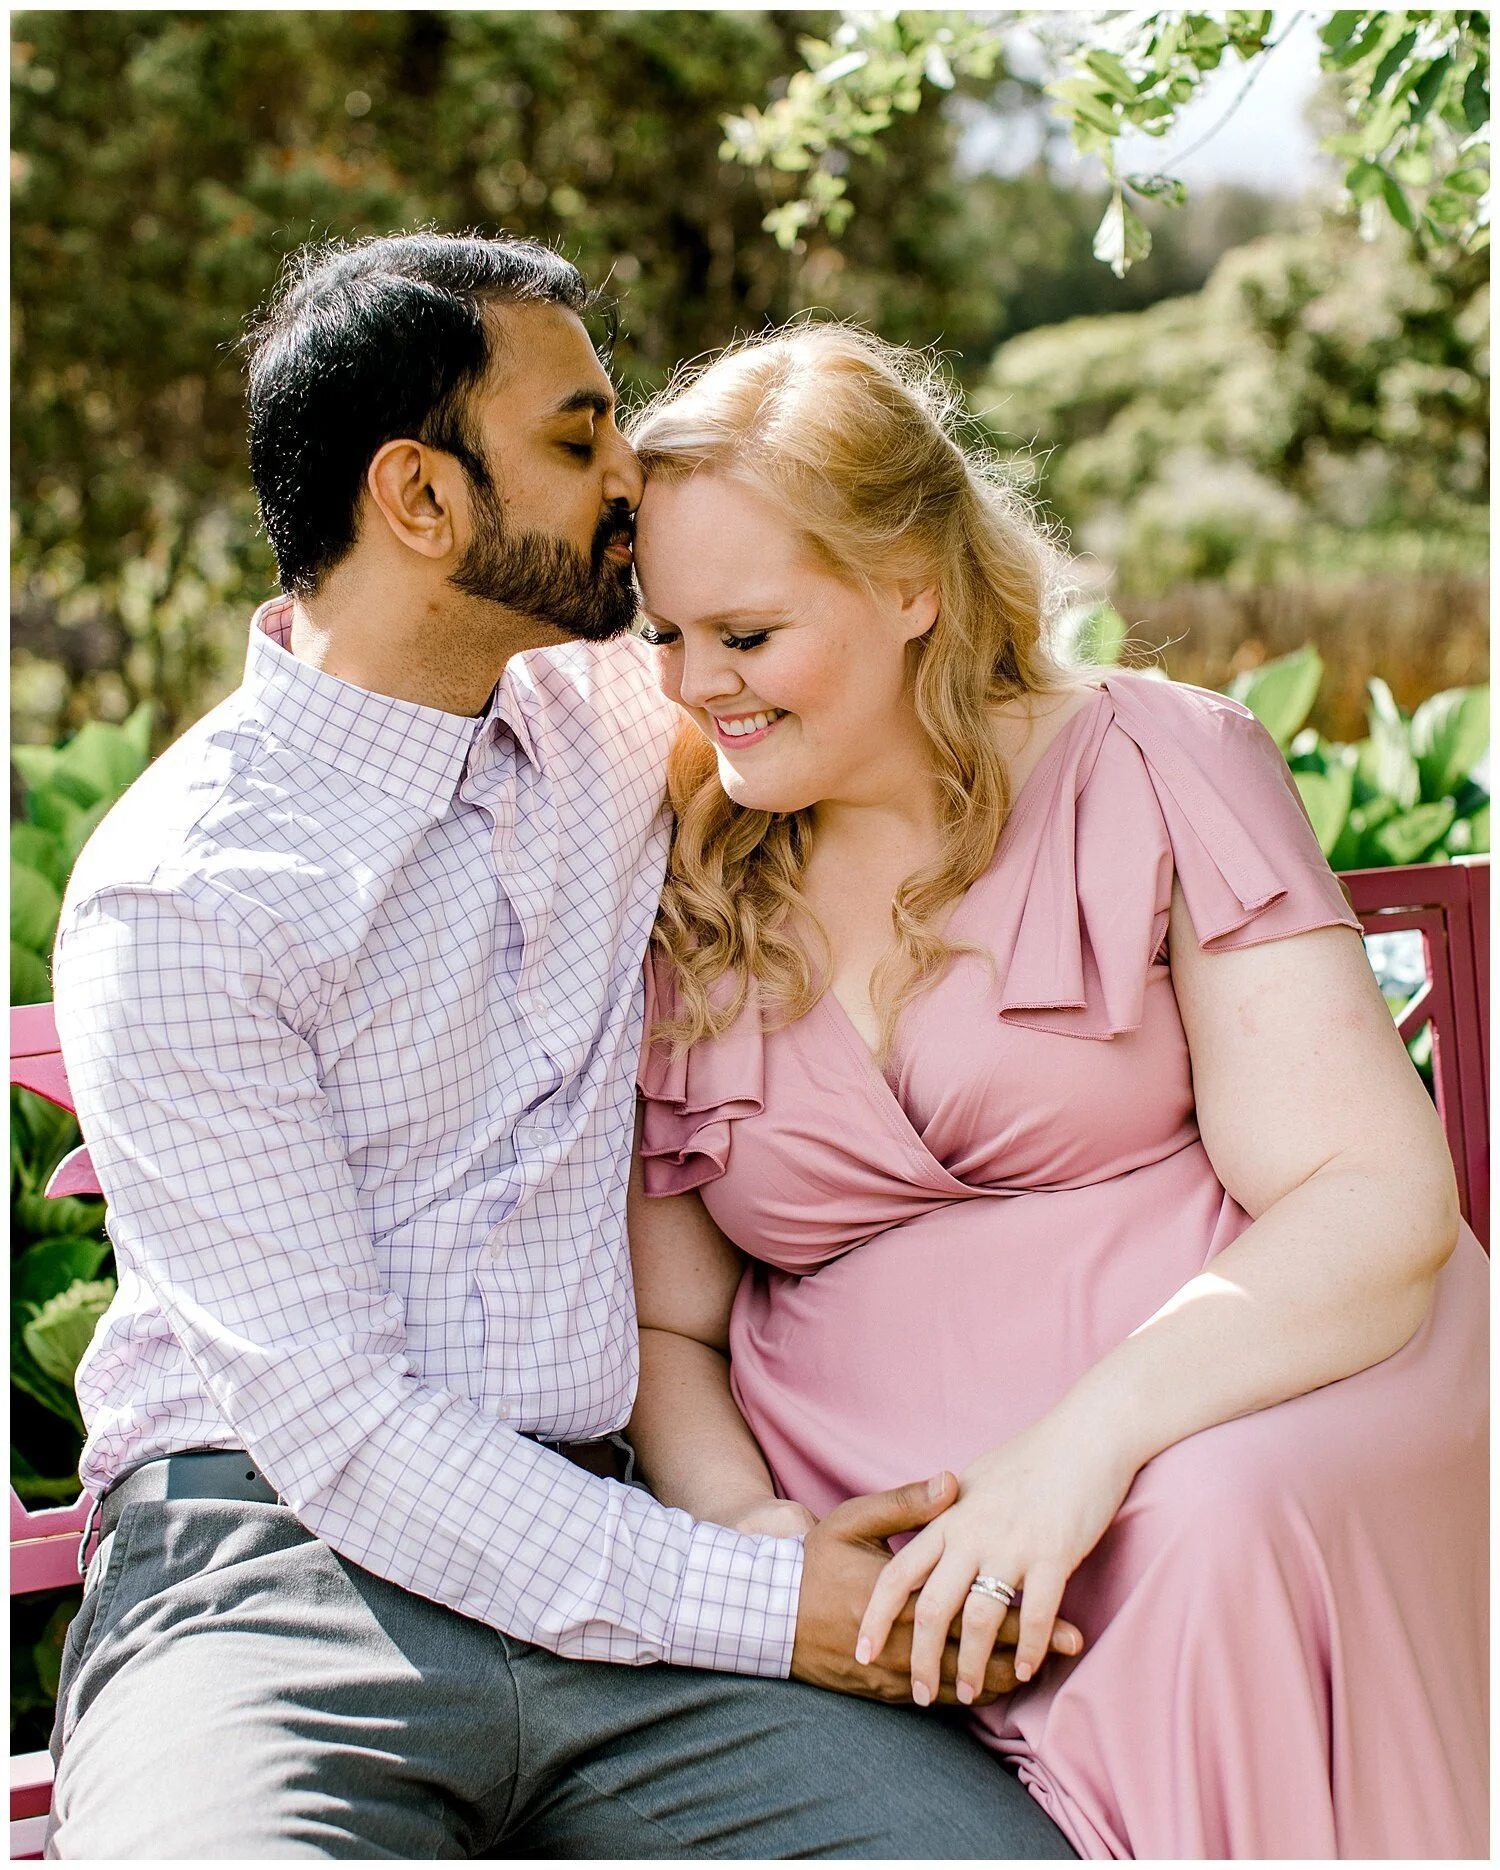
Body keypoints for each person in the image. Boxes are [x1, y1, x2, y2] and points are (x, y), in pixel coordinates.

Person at [45, 237, 1078, 1860]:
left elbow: (879, 665)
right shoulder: (184, 894)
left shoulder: (614, 719)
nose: (630, 478)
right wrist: (772, 1593)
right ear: (423, 500)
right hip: (279, 1575)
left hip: (621, 1550)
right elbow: (341, 1426)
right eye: (582, 435)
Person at [624, 322, 1489, 1860]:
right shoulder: (683, 872)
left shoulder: (1158, 763)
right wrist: (761, 1550)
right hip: (887, 1529)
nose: (701, 689)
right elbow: (668, 1326)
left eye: (746, 635)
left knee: (1213, 1531)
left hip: (1251, 1399)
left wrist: (1073, 1457)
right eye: (666, 637)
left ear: (912, 584)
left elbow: (1374, 1194)